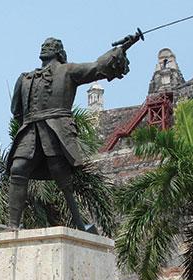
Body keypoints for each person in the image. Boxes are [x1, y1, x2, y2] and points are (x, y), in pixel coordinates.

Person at [7, 37, 133, 231]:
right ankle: (12, 225)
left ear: (56, 53)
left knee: (60, 173)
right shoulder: (25, 78)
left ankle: (79, 223)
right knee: (18, 169)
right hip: (30, 129)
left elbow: (97, 67)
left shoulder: (68, 71)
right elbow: (16, 110)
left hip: (55, 129)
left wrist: (121, 49)